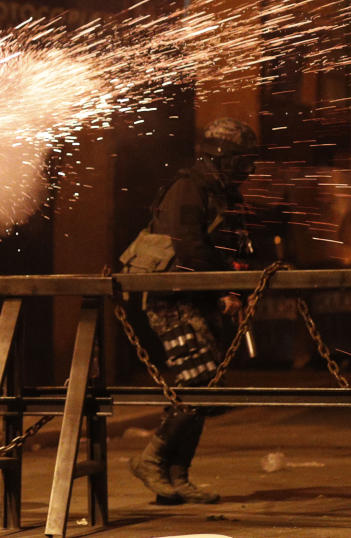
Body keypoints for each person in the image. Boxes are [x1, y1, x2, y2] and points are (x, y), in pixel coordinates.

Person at [126, 117, 257, 505]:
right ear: (221, 157)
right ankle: (151, 460)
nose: (245, 171)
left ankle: (178, 474)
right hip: (172, 299)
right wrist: (224, 288)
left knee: (203, 386)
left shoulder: (225, 194)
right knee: (200, 382)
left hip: (201, 298)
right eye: (240, 162)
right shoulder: (188, 189)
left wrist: (236, 285)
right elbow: (190, 250)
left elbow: (235, 248)